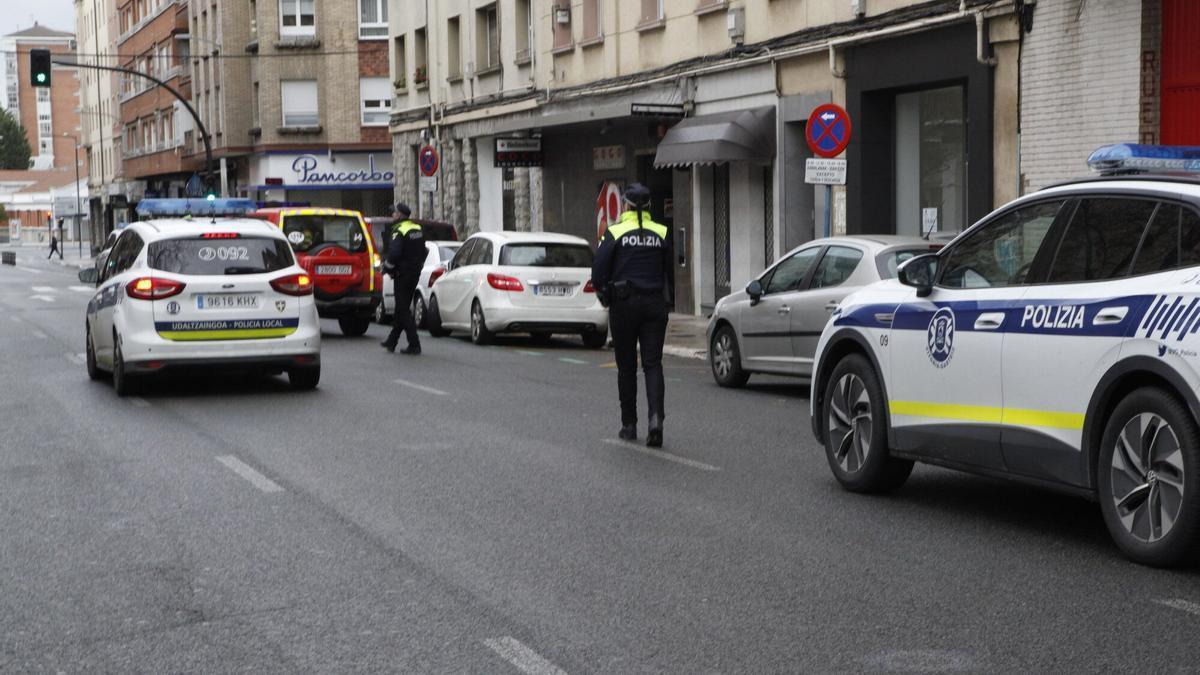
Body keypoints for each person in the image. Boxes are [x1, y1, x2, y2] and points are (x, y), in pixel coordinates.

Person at [592, 183, 674, 448]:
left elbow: (598, 271)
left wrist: (605, 294)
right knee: (653, 364)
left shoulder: (615, 232)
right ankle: (655, 421)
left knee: (626, 366)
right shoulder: (661, 232)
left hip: (624, 306)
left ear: (625, 206)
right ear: (649, 207)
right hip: (654, 306)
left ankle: (629, 425)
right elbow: (669, 272)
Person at [380, 202, 425, 355]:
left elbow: (394, 254)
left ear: (399, 215)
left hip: (402, 275)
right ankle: (392, 341)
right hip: (414, 273)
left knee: (403, 309)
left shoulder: (398, 230)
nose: (392, 215)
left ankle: (414, 343)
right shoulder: (417, 228)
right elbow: (424, 251)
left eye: (394, 213)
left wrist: (386, 268)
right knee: (402, 308)